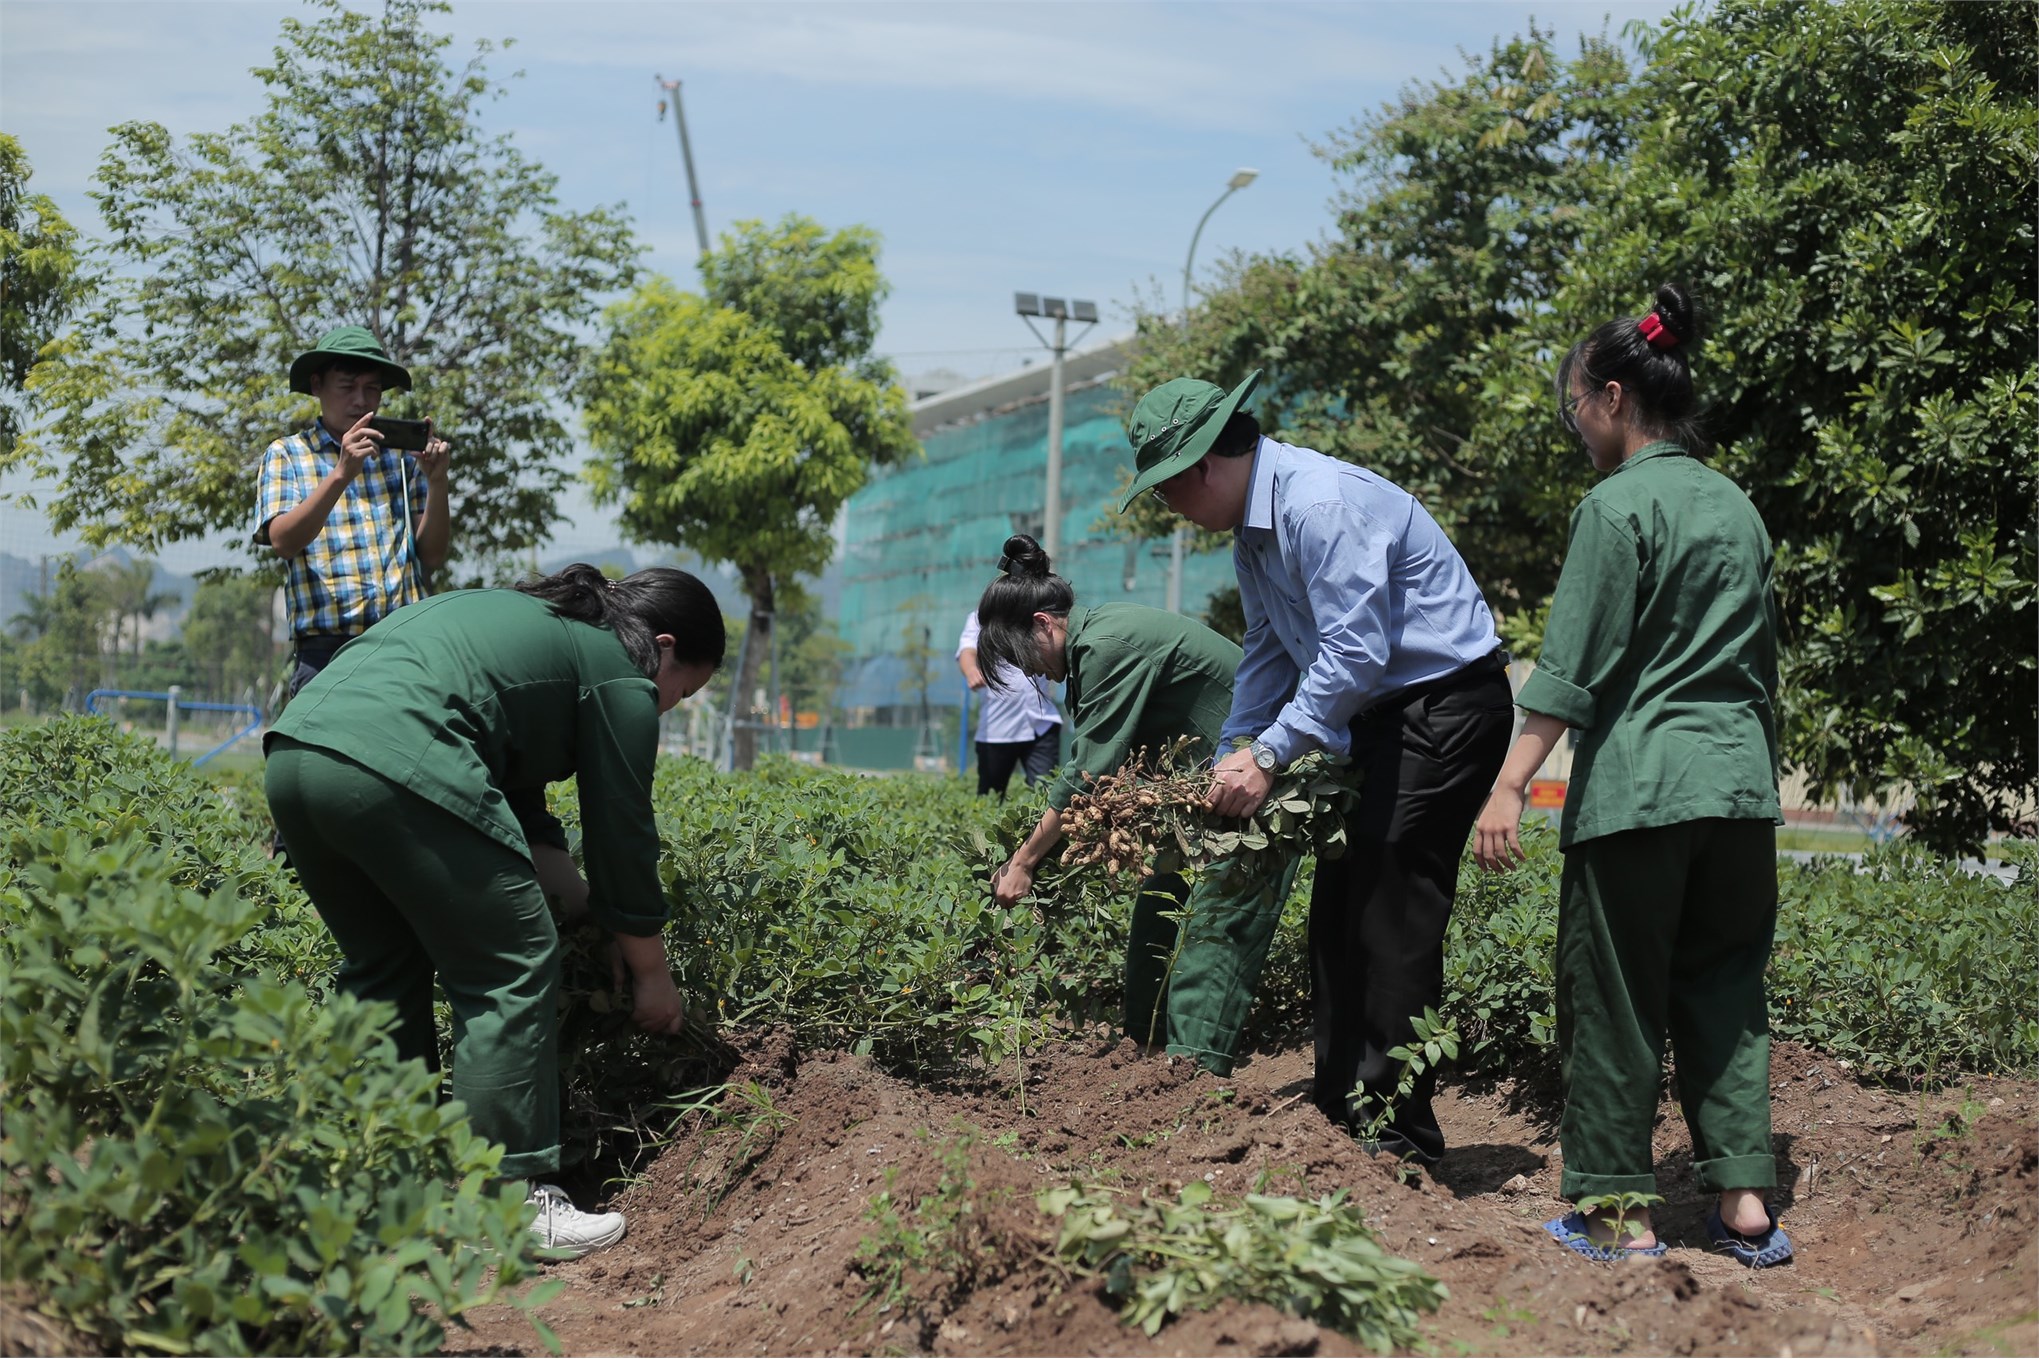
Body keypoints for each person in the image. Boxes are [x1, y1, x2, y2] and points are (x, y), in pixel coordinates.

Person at [264, 563, 723, 1258]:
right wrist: (650, 970)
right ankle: (505, 1198)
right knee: (511, 960)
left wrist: (584, 909)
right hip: (391, 752)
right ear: (663, 647)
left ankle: (387, 1183)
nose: (666, 707)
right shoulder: (617, 672)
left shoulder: (541, 631)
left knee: (386, 963)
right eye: (681, 692)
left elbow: (516, 795)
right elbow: (620, 829)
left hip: (299, 754)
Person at [1472, 285, 1791, 1268]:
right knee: (1725, 992)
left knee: (1613, 1000)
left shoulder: (1615, 508)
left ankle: (1617, 1213)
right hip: (1737, 789)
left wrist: (1508, 784)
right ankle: (1742, 1201)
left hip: (1639, 792)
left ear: (1610, 398)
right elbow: (1759, 665)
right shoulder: (1734, 508)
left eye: (1574, 407)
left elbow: (1572, 665)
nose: (1575, 427)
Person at [1119, 369, 1512, 1165]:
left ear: (1202, 466)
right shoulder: (1252, 535)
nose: (1169, 509)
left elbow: (1356, 651)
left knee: (1389, 912)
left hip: (1443, 704)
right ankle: (1340, 1119)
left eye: (1166, 490)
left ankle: (1400, 1134)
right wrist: (1234, 748)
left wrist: (1268, 755)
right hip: (1375, 717)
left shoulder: (1314, 504)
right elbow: (1268, 648)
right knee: (1335, 912)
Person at [981, 534, 1295, 1075]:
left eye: (1021, 657)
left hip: (1260, 781)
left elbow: (1087, 775)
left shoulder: (1107, 646)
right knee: (1161, 901)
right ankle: (1147, 1051)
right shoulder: (1093, 643)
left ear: (1042, 624)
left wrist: (1026, 861)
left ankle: (1193, 1072)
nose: (1031, 673)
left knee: (1218, 920)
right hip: (1205, 793)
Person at [255, 325, 453, 696]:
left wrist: (438, 482)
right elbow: (282, 541)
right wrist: (342, 473)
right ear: (317, 386)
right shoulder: (288, 454)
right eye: (347, 387)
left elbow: (432, 555)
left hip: (402, 646)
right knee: (324, 754)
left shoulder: (400, 460)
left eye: (372, 388)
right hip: (326, 652)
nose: (361, 401)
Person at [957, 608, 1062, 795]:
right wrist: (971, 671)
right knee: (990, 796)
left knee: (1046, 794)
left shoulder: (1040, 613)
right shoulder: (980, 616)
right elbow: (967, 650)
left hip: (1041, 722)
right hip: (997, 728)